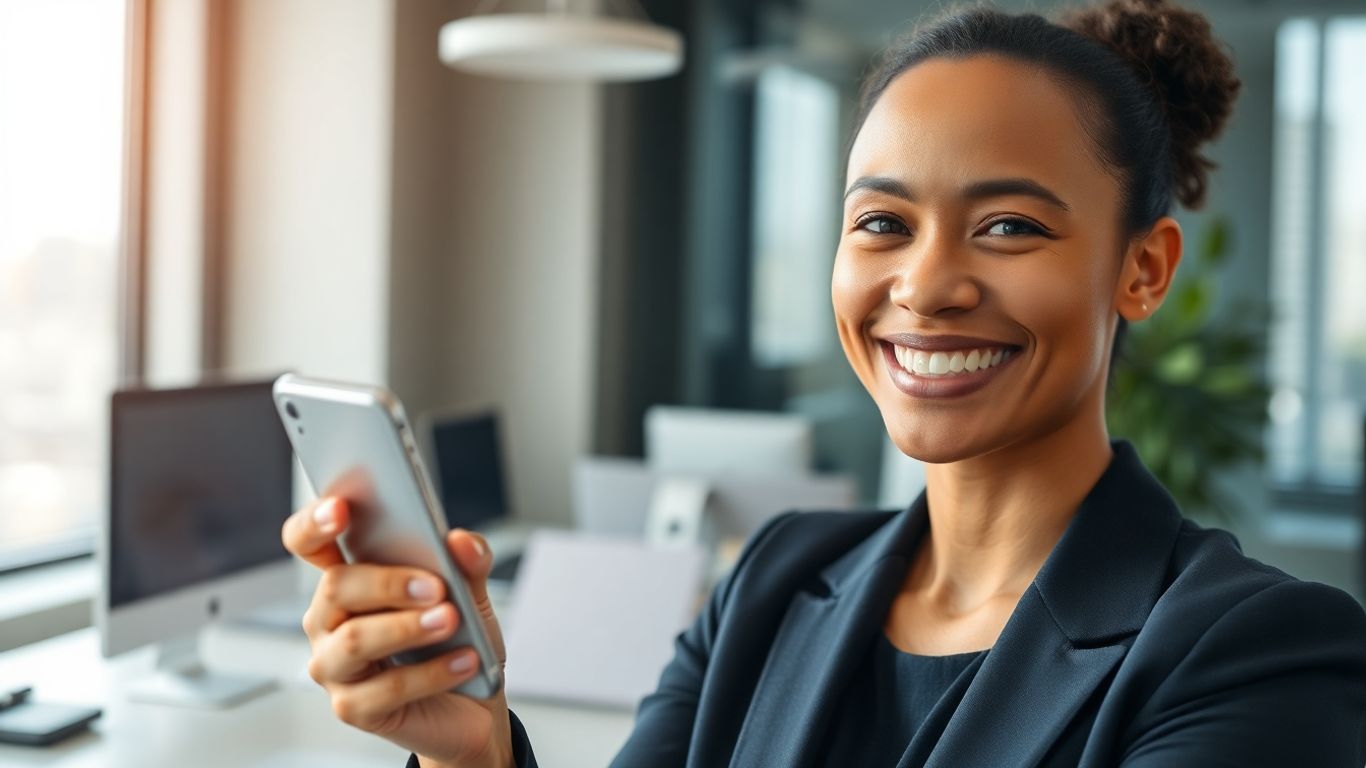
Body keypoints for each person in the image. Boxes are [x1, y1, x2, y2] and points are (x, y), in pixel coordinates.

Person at [281, 0, 1366, 765]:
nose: (927, 284)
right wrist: (471, 755)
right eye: (881, 224)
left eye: (1007, 226)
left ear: (1141, 269)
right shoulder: (772, 582)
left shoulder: (1256, 655)